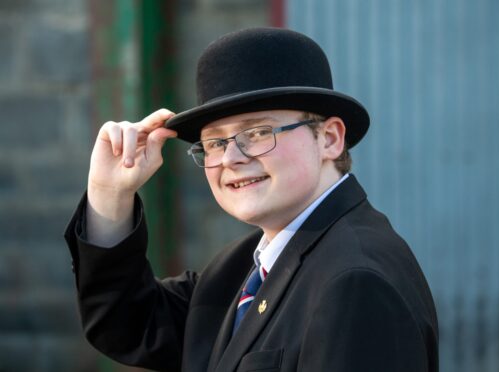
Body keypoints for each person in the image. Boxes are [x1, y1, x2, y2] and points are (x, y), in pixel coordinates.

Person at [64, 27, 438, 372]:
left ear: (329, 139)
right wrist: (110, 193)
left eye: (257, 132)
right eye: (215, 142)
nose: (231, 158)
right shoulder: (242, 269)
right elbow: (128, 324)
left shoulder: (354, 282)